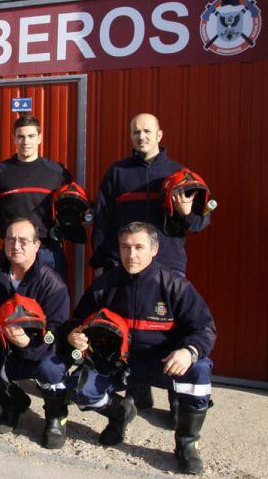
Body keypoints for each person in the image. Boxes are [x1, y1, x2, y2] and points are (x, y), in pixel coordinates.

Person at [66, 222, 216, 474]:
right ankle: (120, 413)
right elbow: (76, 322)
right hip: (118, 363)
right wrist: (74, 336)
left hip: (163, 363)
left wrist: (188, 351)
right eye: (125, 247)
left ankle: (187, 444)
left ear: (154, 250)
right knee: (79, 388)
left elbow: (204, 328)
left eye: (139, 247)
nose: (131, 254)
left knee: (200, 368)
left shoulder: (174, 286)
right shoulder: (106, 284)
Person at [90, 112, 211, 409]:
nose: (140, 136)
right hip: (125, 263)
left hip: (168, 264)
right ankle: (137, 386)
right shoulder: (117, 173)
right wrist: (106, 260)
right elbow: (103, 220)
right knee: (129, 327)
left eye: (146, 131)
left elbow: (199, 222)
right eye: (135, 132)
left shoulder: (180, 174)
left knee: (172, 328)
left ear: (159, 135)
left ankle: (176, 394)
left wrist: (186, 213)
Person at [0, 218, 70, 448]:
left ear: (37, 245)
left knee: (53, 370)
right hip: (4, 350)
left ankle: (56, 417)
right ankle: (13, 403)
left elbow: (58, 333)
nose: (16, 246)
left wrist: (29, 344)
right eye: (10, 239)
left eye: (24, 241)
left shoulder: (51, 283)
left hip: (41, 353)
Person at [0, 115, 74, 279]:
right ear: (14, 139)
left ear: (39, 138)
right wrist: (7, 232)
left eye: (31, 136)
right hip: (14, 248)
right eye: (21, 137)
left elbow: (71, 206)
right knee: (11, 299)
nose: (26, 142)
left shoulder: (57, 172)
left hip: (48, 248)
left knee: (52, 298)